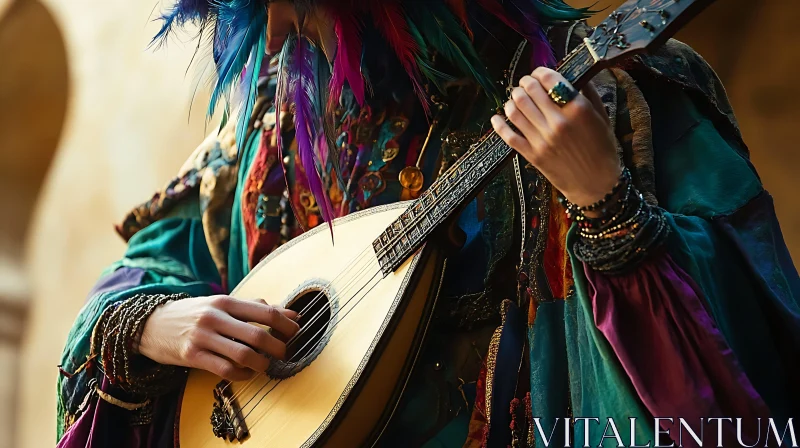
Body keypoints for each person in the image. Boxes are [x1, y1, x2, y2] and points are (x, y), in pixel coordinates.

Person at [56, 1, 800, 447]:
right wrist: (150, 324)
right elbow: (141, 274)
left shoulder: (621, 91)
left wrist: (607, 205)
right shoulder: (266, 131)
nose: (275, 32)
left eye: (293, 2)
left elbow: (739, 373)